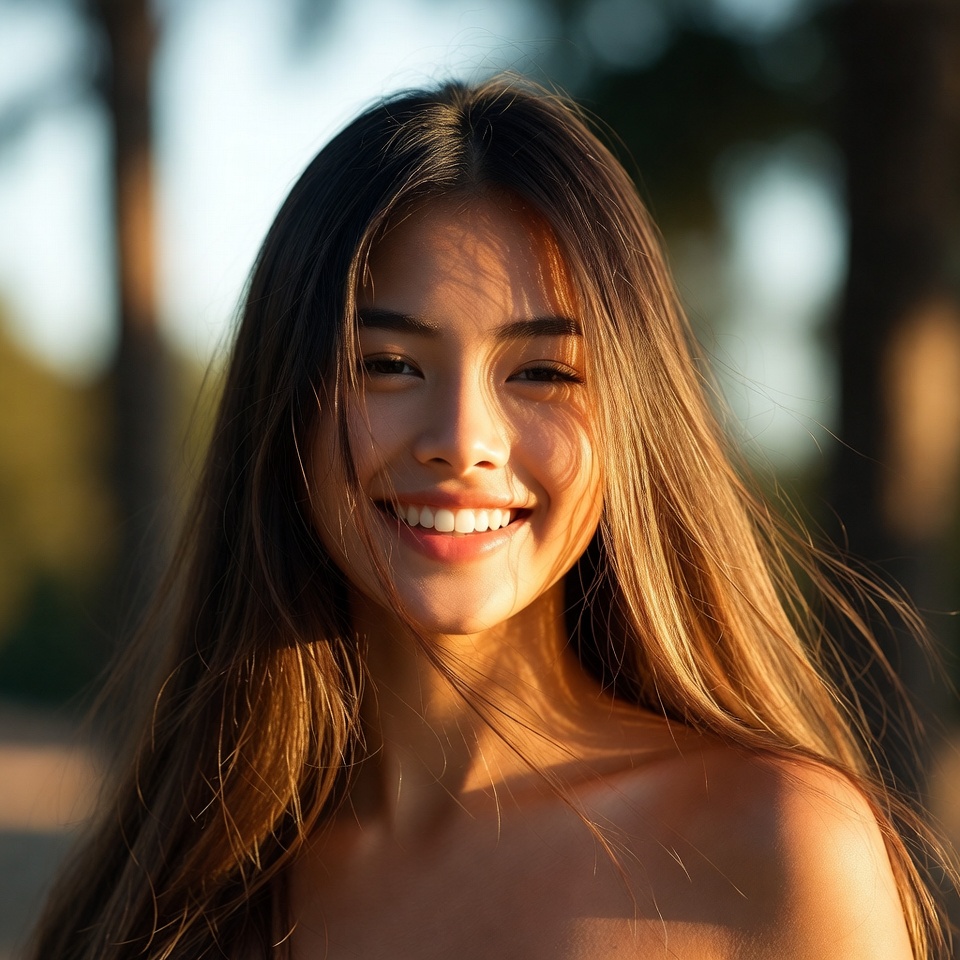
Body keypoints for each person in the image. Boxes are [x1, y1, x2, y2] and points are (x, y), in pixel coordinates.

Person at [29, 75, 951, 959]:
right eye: (388, 365)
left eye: (542, 372)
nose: (462, 441)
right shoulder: (176, 882)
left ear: (633, 421)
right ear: (286, 405)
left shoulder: (776, 849)